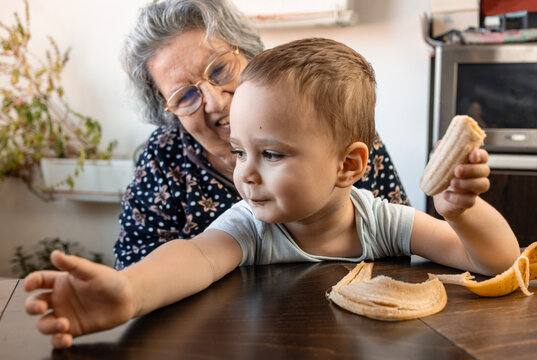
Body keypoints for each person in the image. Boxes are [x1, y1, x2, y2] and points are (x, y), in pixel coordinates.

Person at [24, 38, 520, 350]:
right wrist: (130, 293)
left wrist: (465, 213)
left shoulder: (382, 221)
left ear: (348, 165)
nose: (247, 175)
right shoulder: (250, 226)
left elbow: (495, 261)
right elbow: (193, 258)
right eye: (240, 152)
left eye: (273, 155)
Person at [114, 0, 410, 269]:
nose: (216, 102)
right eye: (185, 95)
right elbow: (135, 268)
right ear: (168, 111)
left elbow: (401, 246)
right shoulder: (163, 157)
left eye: (219, 70)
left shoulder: (334, 130)